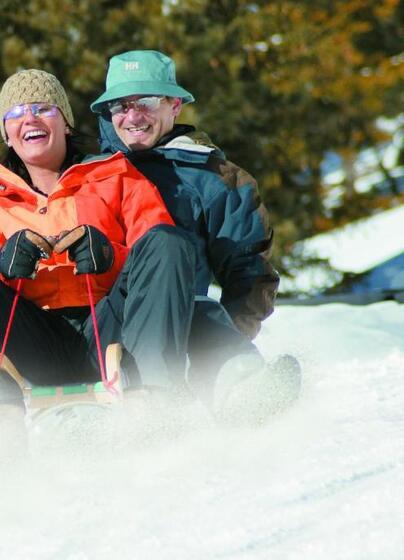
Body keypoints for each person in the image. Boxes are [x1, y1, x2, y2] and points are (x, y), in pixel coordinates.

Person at [0, 69, 203, 405]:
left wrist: (109, 255)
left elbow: (163, 261)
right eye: (16, 113)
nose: (30, 118)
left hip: (111, 331)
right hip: (34, 343)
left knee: (167, 239)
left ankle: (157, 399)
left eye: (42, 109)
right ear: (6, 135)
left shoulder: (118, 178)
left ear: (65, 122)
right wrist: (5, 268)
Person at [89, 50, 298, 419]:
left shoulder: (215, 180)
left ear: (175, 106)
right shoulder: (87, 176)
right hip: (103, 327)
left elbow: (249, 275)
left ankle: (242, 388)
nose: (133, 116)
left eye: (147, 102)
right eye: (121, 105)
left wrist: (206, 353)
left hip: (176, 328)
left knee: (201, 311)